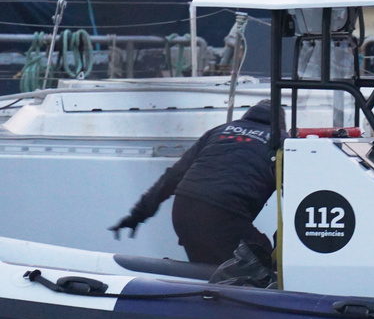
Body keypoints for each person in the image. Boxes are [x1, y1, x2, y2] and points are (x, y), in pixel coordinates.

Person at [109, 100, 284, 266]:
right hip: (225, 212)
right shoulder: (281, 141)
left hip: (183, 210)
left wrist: (138, 214)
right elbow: (295, 197)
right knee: (261, 264)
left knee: (211, 270)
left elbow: (173, 176)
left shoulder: (219, 131)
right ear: (281, 123)